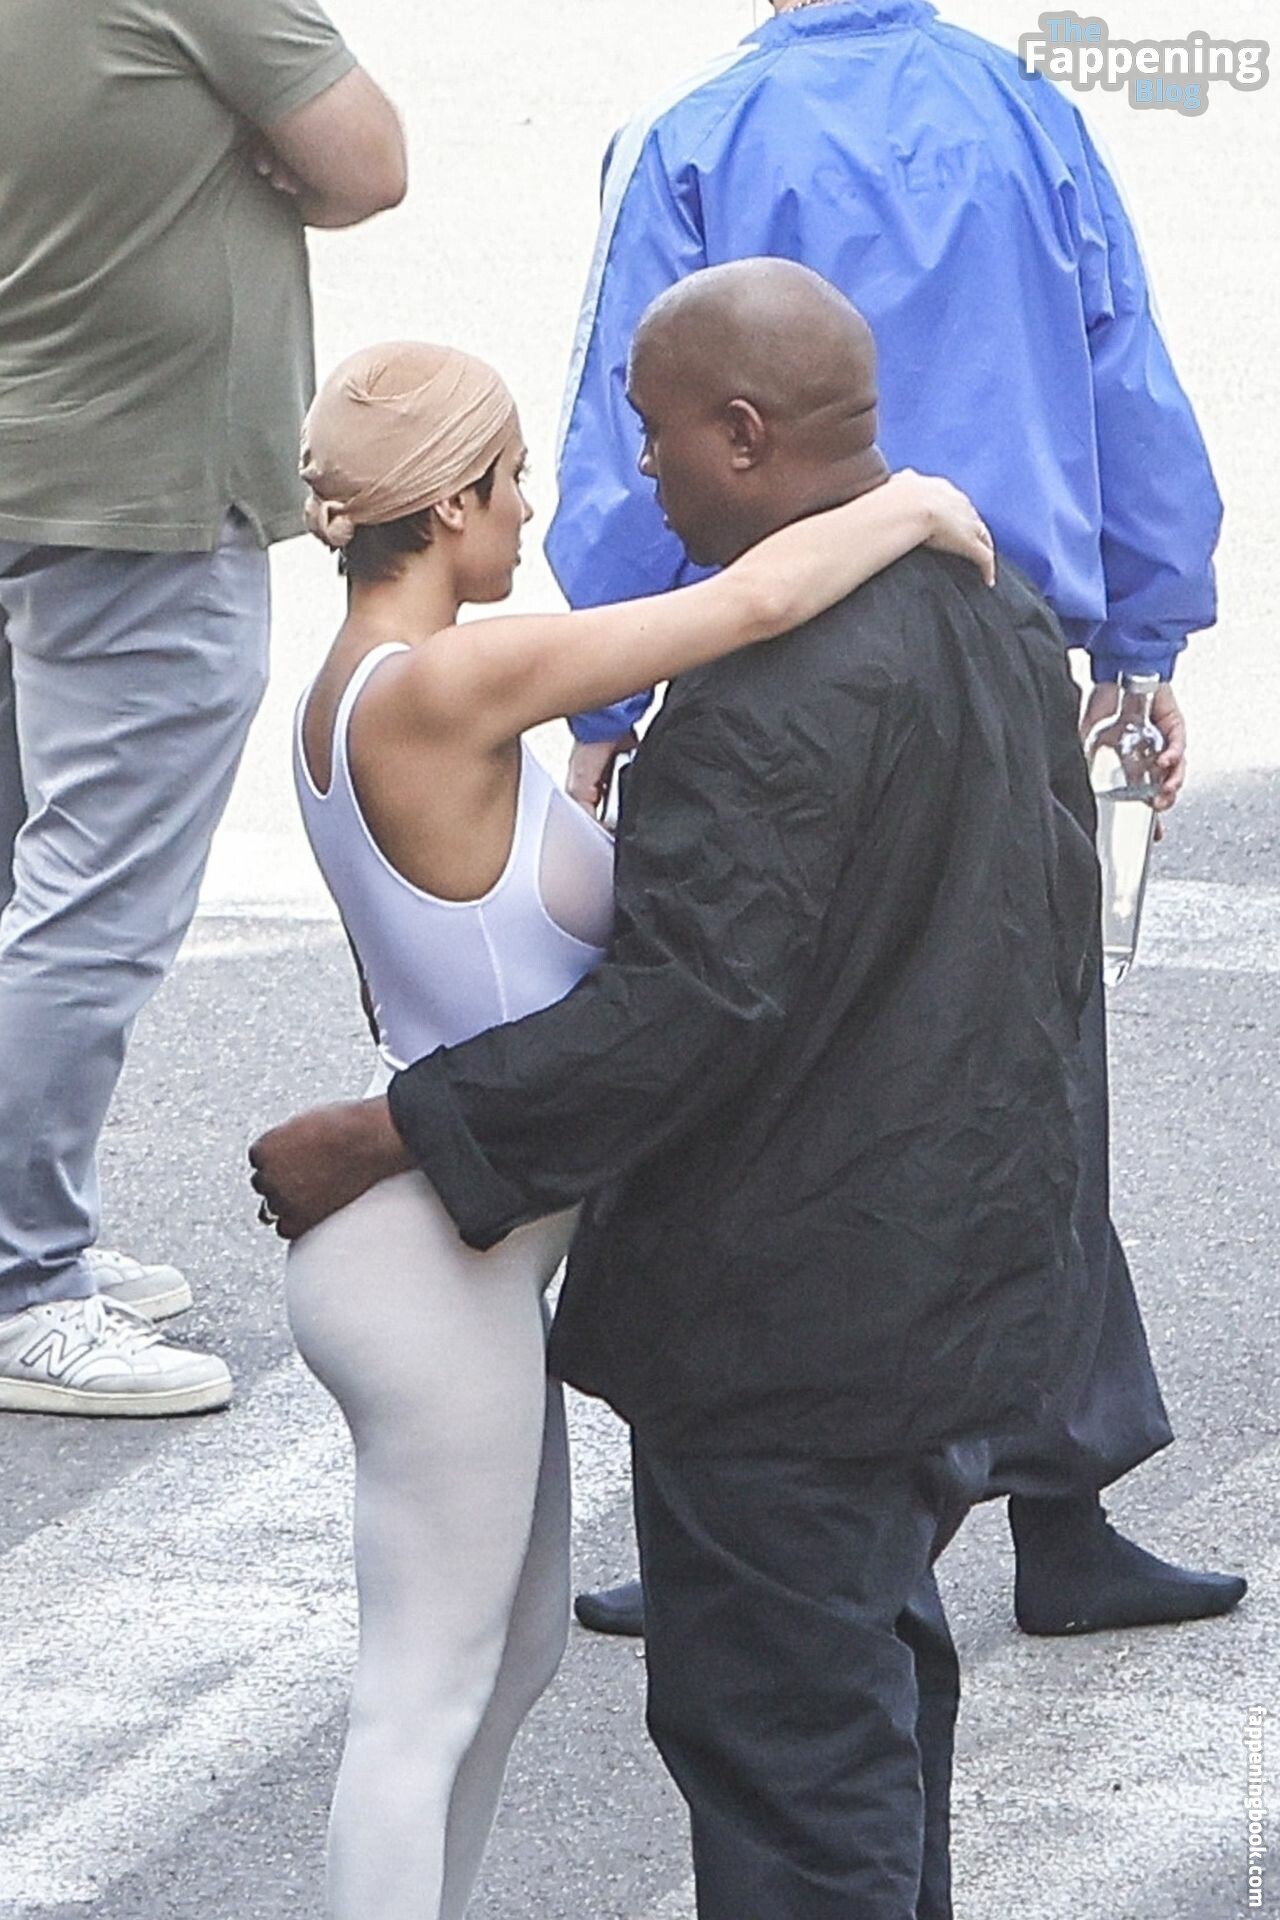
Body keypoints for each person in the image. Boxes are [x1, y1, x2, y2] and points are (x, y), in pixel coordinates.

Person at [251, 259, 1102, 1920]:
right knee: (870, 1702)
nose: (625, 474)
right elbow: (1046, 924)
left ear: (744, 433)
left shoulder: (756, 691)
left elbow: (689, 1006)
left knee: (791, 1755)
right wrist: (920, 499)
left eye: (651, 435)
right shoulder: (997, 615)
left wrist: (389, 1127)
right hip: (950, 1278)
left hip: (781, 1320)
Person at [550, 0, 1244, 1642]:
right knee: (1025, 1060)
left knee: (750, 1080)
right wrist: (1143, 639)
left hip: (771, 649)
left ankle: (737, 1506)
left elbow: (632, 418)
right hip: (1001, 640)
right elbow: (1121, 365)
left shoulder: (700, 136)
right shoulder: (1028, 114)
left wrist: (603, 698)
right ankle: (1062, 1506)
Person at [0, 0, 405, 1415]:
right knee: (88, 910)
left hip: (32, 456)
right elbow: (367, 164)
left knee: (28, 890)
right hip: (139, 487)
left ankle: (24, 1234)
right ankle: (22, 1280)